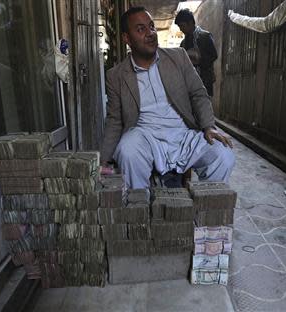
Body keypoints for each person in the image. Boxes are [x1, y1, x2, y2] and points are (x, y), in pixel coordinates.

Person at [100, 7, 234, 189]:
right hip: (145, 136)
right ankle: (139, 208)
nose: (150, 33)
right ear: (126, 38)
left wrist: (209, 126)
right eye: (141, 29)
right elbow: (115, 120)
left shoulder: (178, 57)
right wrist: (104, 160)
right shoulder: (116, 75)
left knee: (223, 155)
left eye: (151, 27)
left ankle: (201, 212)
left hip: (183, 134)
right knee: (127, 150)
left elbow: (198, 93)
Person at [175, 9, 218, 97]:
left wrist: (198, 59)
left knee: (204, 107)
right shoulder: (183, 43)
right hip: (190, 84)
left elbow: (213, 56)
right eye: (179, 27)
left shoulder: (205, 36)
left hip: (205, 82)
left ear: (190, 22)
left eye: (182, 26)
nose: (181, 29)